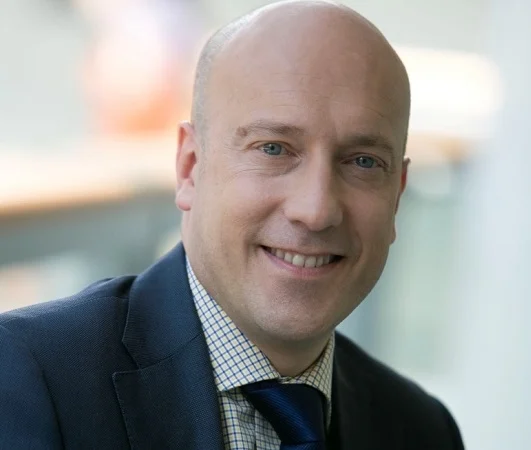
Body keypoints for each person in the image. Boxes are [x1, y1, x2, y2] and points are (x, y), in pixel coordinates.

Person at [0, 1, 464, 449]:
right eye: (274, 149)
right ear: (190, 167)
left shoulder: (422, 430)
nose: (316, 209)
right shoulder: (25, 380)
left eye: (362, 161)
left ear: (396, 195)